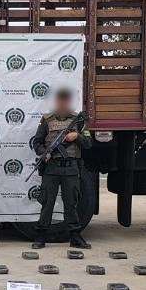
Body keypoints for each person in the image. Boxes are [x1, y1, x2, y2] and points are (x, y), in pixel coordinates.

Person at [31, 86, 91, 249]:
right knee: (47, 202)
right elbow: (36, 142)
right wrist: (45, 153)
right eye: (60, 100)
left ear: (69, 101)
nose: (63, 103)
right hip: (51, 167)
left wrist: (76, 136)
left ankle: (75, 236)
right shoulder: (47, 120)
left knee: (71, 203)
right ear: (56, 101)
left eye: (65, 100)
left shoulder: (78, 120)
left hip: (71, 168)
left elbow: (88, 143)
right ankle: (41, 236)